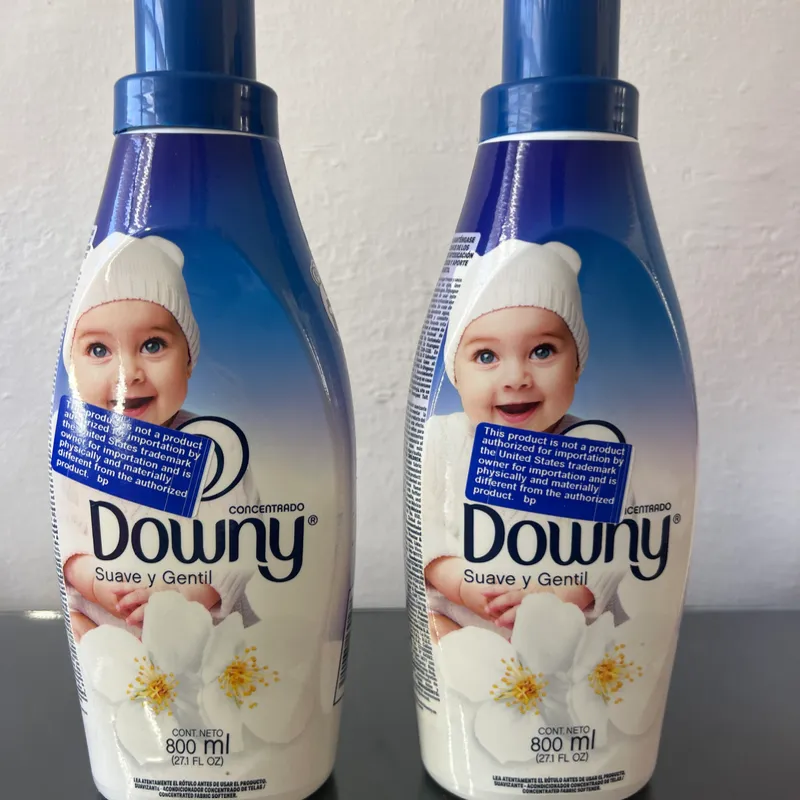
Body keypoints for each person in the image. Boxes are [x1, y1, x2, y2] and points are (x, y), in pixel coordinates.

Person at [52, 232, 258, 641]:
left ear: (189, 360)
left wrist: (182, 596)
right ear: (73, 366)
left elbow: (240, 544)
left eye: (152, 344)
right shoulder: (78, 447)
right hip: (109, 627)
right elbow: (70, 543)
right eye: (98, 350)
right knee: (79, 627)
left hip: (199, 632)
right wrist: (96, 581)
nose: (128, 373)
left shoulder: (213, 448)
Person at [422, 239, 627, 641]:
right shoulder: (444, 438)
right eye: (486, 356)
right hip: (461, 617)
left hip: (557, 633)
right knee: (437, 631)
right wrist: (460, 583)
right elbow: (425, 531)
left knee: (589, 644)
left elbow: (612, 554)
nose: (516, 378)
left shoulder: (592, 451)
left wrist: (554, 598)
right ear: (455, 374)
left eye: (542, 351)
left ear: (577, 365)